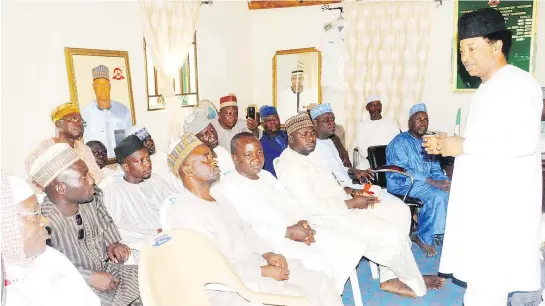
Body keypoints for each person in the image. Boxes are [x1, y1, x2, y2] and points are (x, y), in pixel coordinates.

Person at [427, 8, 543, 306]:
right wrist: (449, 143)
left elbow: (523, 141)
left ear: (496, 45)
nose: (465, 57)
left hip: (500, 205)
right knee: (484, 281)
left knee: (487, 285)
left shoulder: (517, 83)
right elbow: (486, 140)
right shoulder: (488, 88)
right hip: (485, 202)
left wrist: (462, 146)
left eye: (472, 47)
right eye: (461, 49)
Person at [161, 133, 343, 306]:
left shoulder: (218, 199)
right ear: (188, 170)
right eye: (206, 158)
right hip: (231, 288)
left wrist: (268, 254)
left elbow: (247, 231)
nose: (214, 161)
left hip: (255, 266)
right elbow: (210, 269)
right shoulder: (185, 213)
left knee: (320, 281)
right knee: (306, 299)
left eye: (212, 156)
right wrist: (262, 271)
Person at [275, 112, 444, 297]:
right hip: (325, 220)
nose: (310, 138)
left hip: (342, 204)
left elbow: (332, 184)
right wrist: (352, 203)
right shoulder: (291, 164)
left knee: (399, 211)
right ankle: (411, 280)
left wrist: (353, 192)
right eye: (303, 134)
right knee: (391, 235)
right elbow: (311, 207)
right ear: (290, 137)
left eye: (311, 133)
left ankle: (392, 275)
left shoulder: (311, 153)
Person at [214, 132, 367, 293]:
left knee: (349, 244)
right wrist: (288, 232)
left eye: (259, 152)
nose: (257, 159)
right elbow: (246, 230)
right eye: (248, 155)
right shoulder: (228, 188)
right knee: (321, 266)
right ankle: (326, 294)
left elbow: (291, 202)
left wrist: (302, 221)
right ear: (235, 158)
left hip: (296, 230)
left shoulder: (266, 176)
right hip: (273, 243)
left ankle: (332, 292)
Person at [29, 143, 141, 306]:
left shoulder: (90, 198)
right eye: (83, 176)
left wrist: (113, 242)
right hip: (76, 288)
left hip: (110, 272)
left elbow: (103, 217)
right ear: (61, 188)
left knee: (152, 278)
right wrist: (88, 277)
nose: (92, 180)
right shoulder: (43, 223)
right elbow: (42, 269)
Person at [1, 171, 101, 306]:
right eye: (35, 214)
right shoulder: (7, 294)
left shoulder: (48, 256)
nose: (45, 221)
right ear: (6, 225)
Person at [386, 103, 450, 257]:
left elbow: (435, 169)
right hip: (403, 183)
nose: (423, 122)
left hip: (424, 183)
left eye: (425, 119)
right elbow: (402, 170)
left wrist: (446, 182)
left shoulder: (429, 141)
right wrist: (433, 182)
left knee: (451, 190)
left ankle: (437, 231)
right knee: (436, 195)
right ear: (410, 123)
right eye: (419, 119)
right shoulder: (399, 142)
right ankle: (423, 236)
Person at [101, 135, 178, 263]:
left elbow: (176, 203)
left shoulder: (156, 180)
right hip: (141, 246)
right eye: (141, 160)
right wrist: (153, 234)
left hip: (171, 236)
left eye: (148, 158)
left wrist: (169, 227)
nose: (148, 164)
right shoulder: (113, 190)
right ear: (126, 167)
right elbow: (114, 228)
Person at [25, 102, 103, 190]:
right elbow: (36, 184)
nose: (79, 124)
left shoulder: (84, 149)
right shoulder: (44, 149)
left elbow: (97, 177)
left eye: (81, 121)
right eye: (74, 120)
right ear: (58, 124)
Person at [81, 65, 132, 158]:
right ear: (93, 87)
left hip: (120, 162)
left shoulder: (123, 110)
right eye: (98, 85)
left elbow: (129, 138)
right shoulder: (86, 113)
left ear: (109, 86)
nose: (102, 89)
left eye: (105, 85)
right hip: (98, 164)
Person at [183, 110, 236, 177]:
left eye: (212, 129)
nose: (212, 135)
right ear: (194, 140)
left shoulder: (221, 150)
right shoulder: (196, 165)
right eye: (205, 134)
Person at [356, 95, 401, 169]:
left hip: (390, 160)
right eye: (372, 105)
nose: (376, 108)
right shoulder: (362, 125)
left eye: (378, 105)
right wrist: (374, 160)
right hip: (369, 160)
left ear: (381, 107)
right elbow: (362, 147)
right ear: (367, 108)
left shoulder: (392, 122)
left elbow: (397, 143)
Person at [258, 105, 288, 177]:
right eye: (268, 120)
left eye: (275, 118)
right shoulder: (260, 142)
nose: (273, 122)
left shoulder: (288, 136)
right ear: (262, 124)